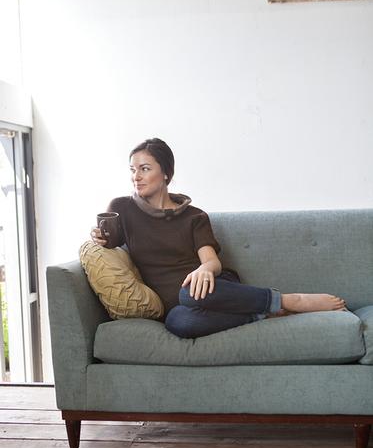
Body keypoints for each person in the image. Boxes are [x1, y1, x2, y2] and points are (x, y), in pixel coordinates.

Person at [91, 138, 346, 338]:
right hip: (177, 305)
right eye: (133, 169)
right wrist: (98, 237)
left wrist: (204, 270)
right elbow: (109, 239)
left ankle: (290, 300)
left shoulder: (194, 216)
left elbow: (213, 262)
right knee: (179, 323)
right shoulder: (122, 208)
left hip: (210, 288)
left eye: (145, 169)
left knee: (189, 292)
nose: (136, 176)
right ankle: (265, 312)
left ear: (166, 173)